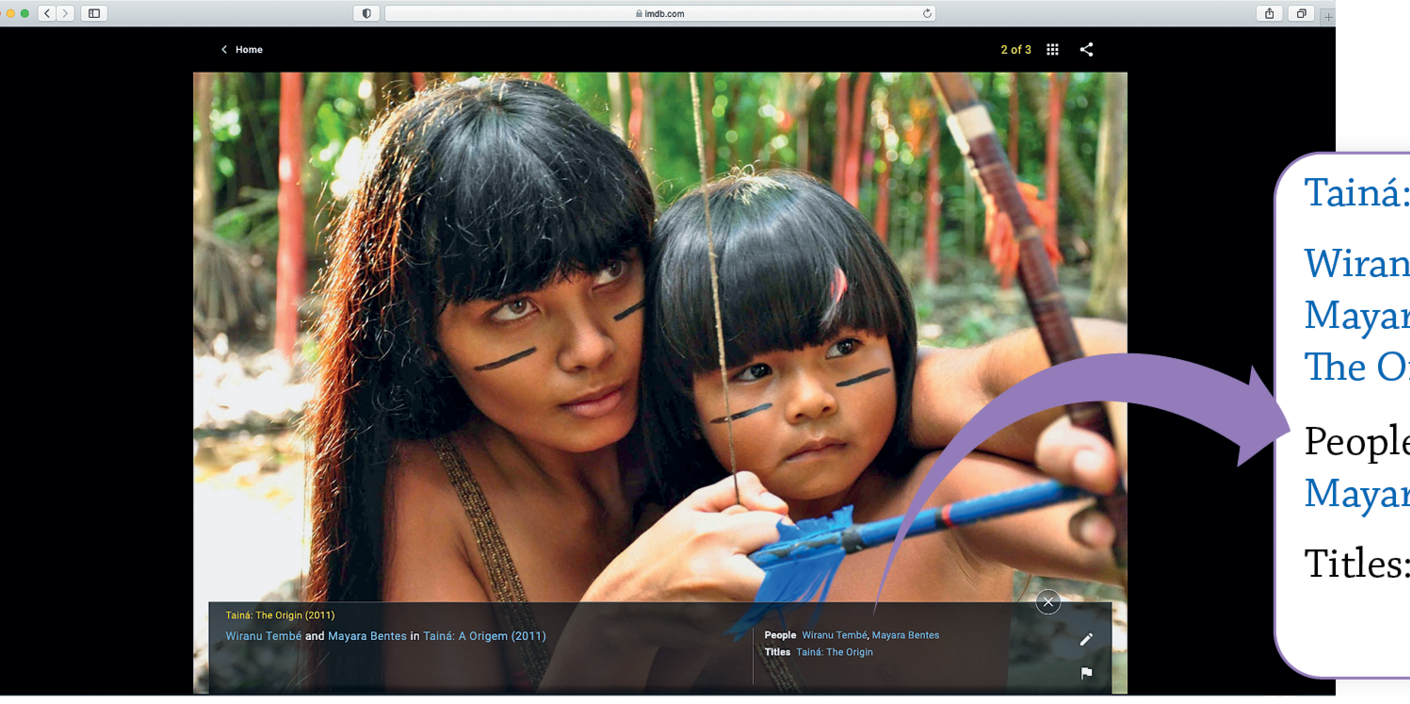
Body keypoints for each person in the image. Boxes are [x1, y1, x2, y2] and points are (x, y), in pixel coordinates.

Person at [299, 76, 1124, 693]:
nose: (589, 348)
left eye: (613, 272)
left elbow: (986, 382)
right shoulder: (428, 490)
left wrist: (1122, 406)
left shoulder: (737, 378)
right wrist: (615, 621)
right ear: (424, 332)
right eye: (514, 308)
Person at [642, 170, 1124, 605]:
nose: (812, 401)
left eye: (844, 347)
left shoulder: (944, 496)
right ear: (685, 402)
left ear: (896, 348)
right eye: (754, 372)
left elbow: (1029, 376)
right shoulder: (664, 546)